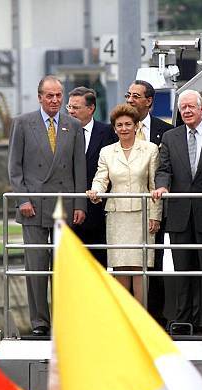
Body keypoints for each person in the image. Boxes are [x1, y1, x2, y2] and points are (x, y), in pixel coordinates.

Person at [8, 75, 87, 337]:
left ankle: (64, 319)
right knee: (37, 267)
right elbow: (14, 168)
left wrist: (80, 204)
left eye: (58, 95)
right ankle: (40, 322)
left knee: (64, 267)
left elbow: (79, 169)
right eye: (49, 95)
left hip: (64, 204)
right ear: (40, 96)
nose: (54, 100)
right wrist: (23, 200)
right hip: (33, 206)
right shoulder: (22, 123)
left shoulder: (73, 125)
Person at [152, 90, 202, 335]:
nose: (187, 111)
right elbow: (164, 168)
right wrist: (162, 185)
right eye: (183, 108)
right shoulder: (170, 137)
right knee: (183, 270)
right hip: (180, 213)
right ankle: (183, 320)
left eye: (192, 107)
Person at [87, 104, 161, 303]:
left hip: (142, 215)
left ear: (136, 126)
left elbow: (154, 184)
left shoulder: (150, 149)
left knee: (140, 267)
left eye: (128, 124)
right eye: (119, 125)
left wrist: (155, 215)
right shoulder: (107, 152)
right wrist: (95, 191)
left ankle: (141, 320)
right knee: (119, 267)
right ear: (114, 128)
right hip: (117, 215)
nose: (124, 128)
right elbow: (101, 179)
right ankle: (125, 321)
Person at [126, 80, 173, 325]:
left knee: (154, 262)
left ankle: (156, 316)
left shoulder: (166, 131)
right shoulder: (120, 128)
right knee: (127, 264)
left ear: (149, 101)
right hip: (127, 211)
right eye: (128, 95)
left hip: (157, 208)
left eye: (136, 96)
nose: (130, 100)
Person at [67, 86, 118, 267]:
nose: (71, 111)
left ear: (91, 109)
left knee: (98, 265)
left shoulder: (108, 133)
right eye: (69, 107)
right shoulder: (61, 133)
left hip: (97, 212)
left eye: (76, 107)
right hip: (68, 210)